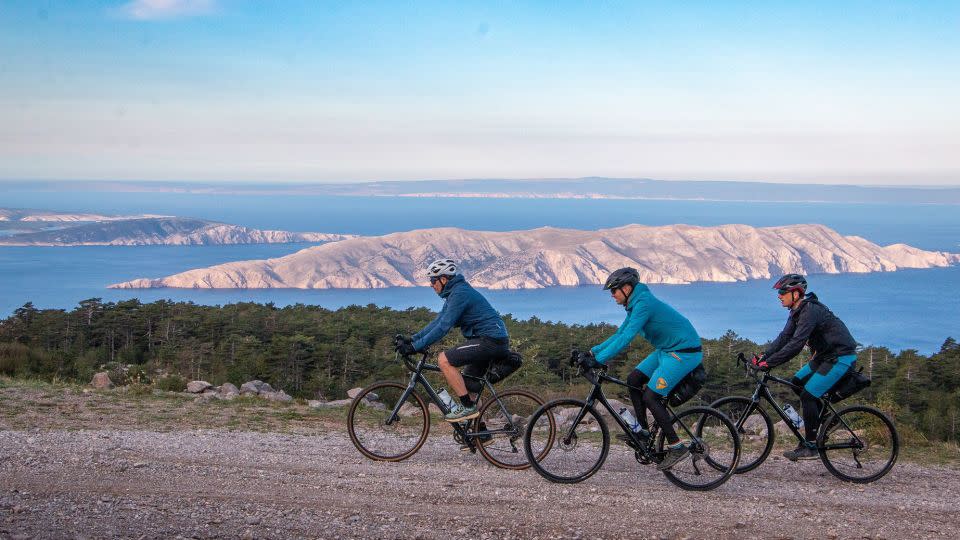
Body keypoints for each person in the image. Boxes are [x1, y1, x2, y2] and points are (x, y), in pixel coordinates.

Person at [585, 267, 703, 471]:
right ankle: (643, 432)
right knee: (633, 380)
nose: (612, 295)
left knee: (651, 397)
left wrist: (599, 360)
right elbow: (619, 333)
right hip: (667, 350)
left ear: (627, 288)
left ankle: (676, 446)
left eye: (614, 290)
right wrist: (592, 353)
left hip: (683, 352)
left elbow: (626, 338)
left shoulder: (644, 304)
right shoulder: (635, 304)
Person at [752, 273, 858, 461]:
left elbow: (796, 344)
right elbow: (784, 338)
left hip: (840, 357)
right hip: (825, 357)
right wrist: (763, 356)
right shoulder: (797, 311)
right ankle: (820, 422)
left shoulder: (809, 310)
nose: (779, 295)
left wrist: (770, 363)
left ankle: (811, 446)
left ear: (796, 293)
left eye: (783, 291)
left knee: (808, 395)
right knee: (797, 382)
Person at [395, 258, 510, 422]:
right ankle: (482, 435)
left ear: (443, 279)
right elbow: (437, 321)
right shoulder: (454, 294)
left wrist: (415, 347)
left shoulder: (460, 294)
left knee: (443, 360)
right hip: (489, 341)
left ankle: (467, 408)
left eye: (433, 280)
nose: (430, 284)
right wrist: (412, 340)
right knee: (469, 387)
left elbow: (443, 327)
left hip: (490, 341)